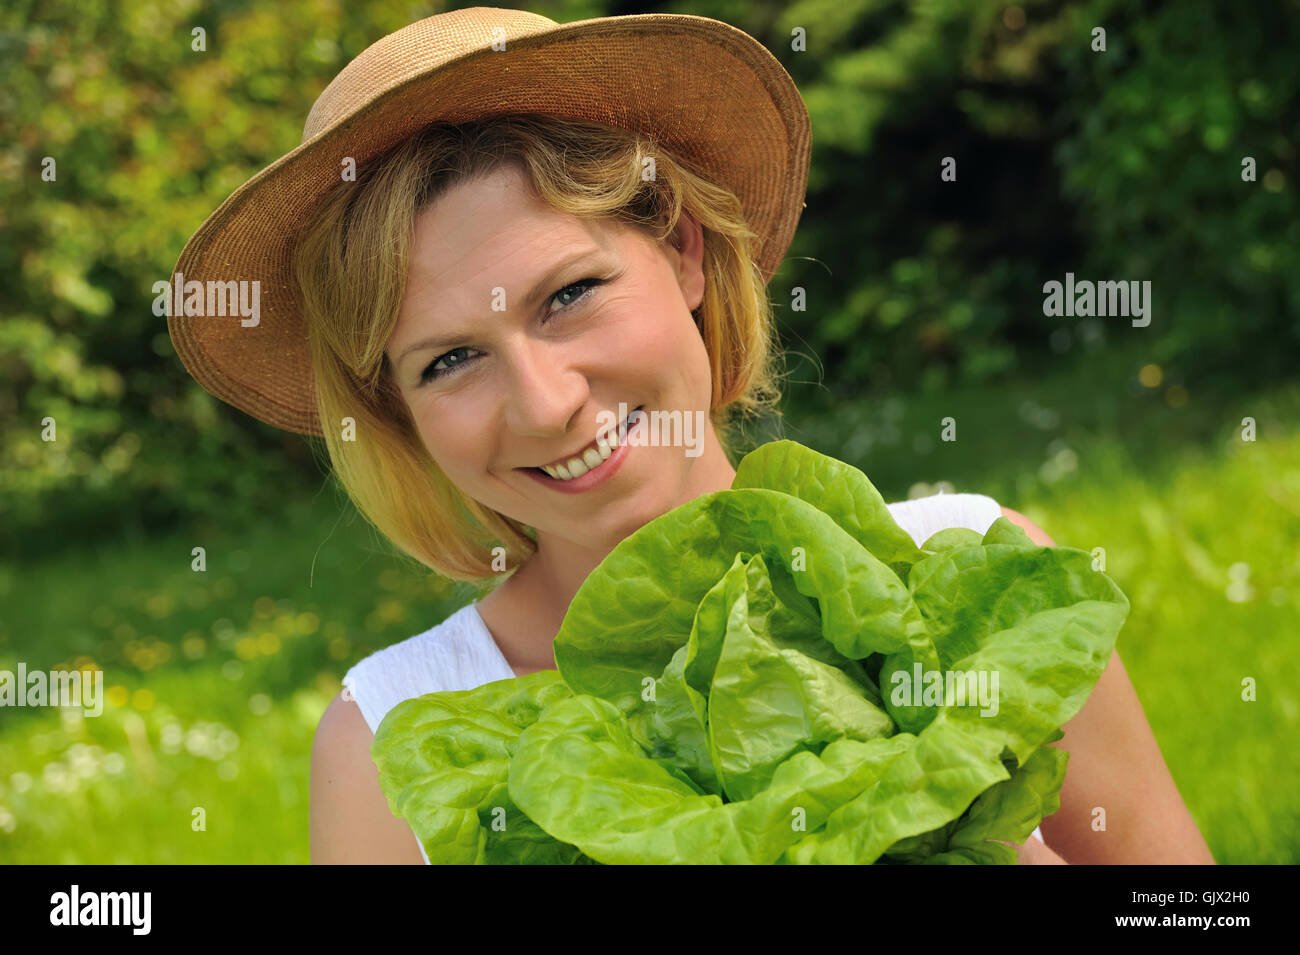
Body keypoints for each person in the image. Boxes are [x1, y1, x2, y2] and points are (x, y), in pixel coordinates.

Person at [169, 9, 1214, 866]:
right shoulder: (393, 736)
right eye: (448, 360)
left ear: (683, 253)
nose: (542, 403)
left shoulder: (982, 585)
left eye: (569, 294)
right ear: (397, 412)